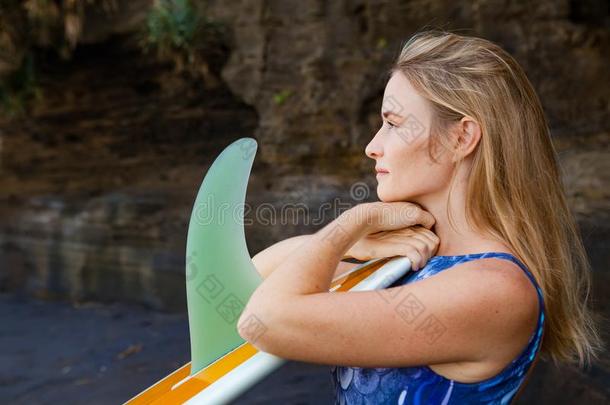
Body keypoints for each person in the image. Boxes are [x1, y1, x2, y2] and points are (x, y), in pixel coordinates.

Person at [238, 29, 603, 404]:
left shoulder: (495, 289)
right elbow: (249, 285)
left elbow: (265, 320)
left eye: (393, 123)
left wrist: (355, 222)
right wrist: (357, 244)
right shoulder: (418, 258)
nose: (371, 147)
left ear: (461, 139)